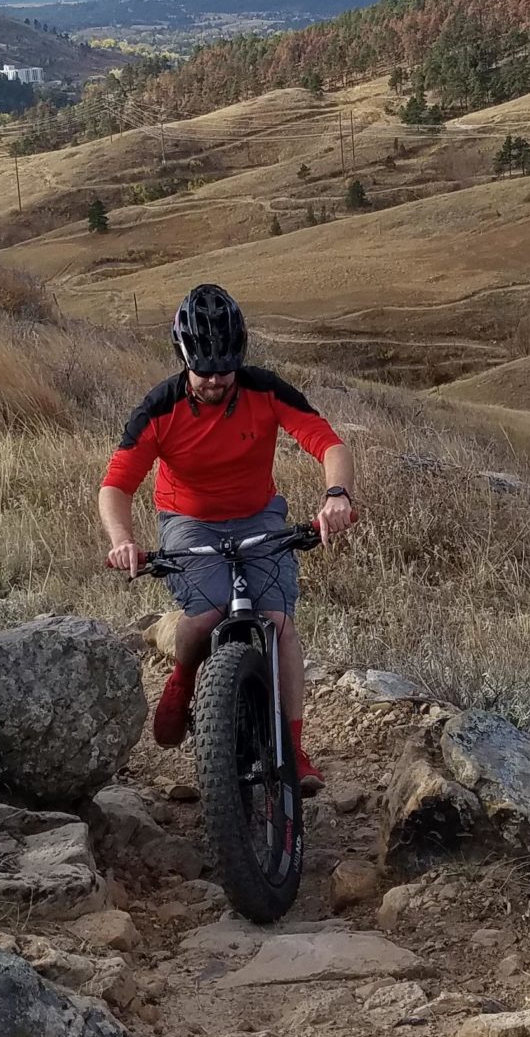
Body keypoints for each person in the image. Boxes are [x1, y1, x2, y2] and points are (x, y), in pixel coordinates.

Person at [99, 283, 357, 792]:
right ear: (184, 358)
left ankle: (294, 747)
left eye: (225, 369)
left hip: (259, 515)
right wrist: (122, 539)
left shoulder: (265, 389)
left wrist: (337, 494)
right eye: (204, 371)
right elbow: (116, 485)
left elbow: (328, 443)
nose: (216, 381)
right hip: (188, 521)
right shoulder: (159, 408)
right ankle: (183, 678)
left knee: (279, 622)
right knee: (209, 611)